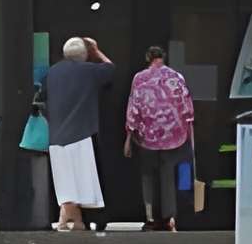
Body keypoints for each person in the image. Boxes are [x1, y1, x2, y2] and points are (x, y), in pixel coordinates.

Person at [42, 35, 116, 232]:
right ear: (85, 55)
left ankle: (69, 219)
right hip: (82, 133)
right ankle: (74, 220)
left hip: (56, 135)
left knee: (65, 182)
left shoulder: (53, 72)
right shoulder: (89, 70)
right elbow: (110, 68)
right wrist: (97, 51)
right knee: (82, 182)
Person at [122, 46, 195, 231]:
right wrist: (190, 135)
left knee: (148, 177)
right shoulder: (177, 77)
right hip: (175, 135)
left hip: (148, 136)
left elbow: (134, 108)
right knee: (169, 175)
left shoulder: (140, 78)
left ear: (148, 58)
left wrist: (129, 136)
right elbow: (187, 109)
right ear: (164, 57)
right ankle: (170, 217)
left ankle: (151, 218)